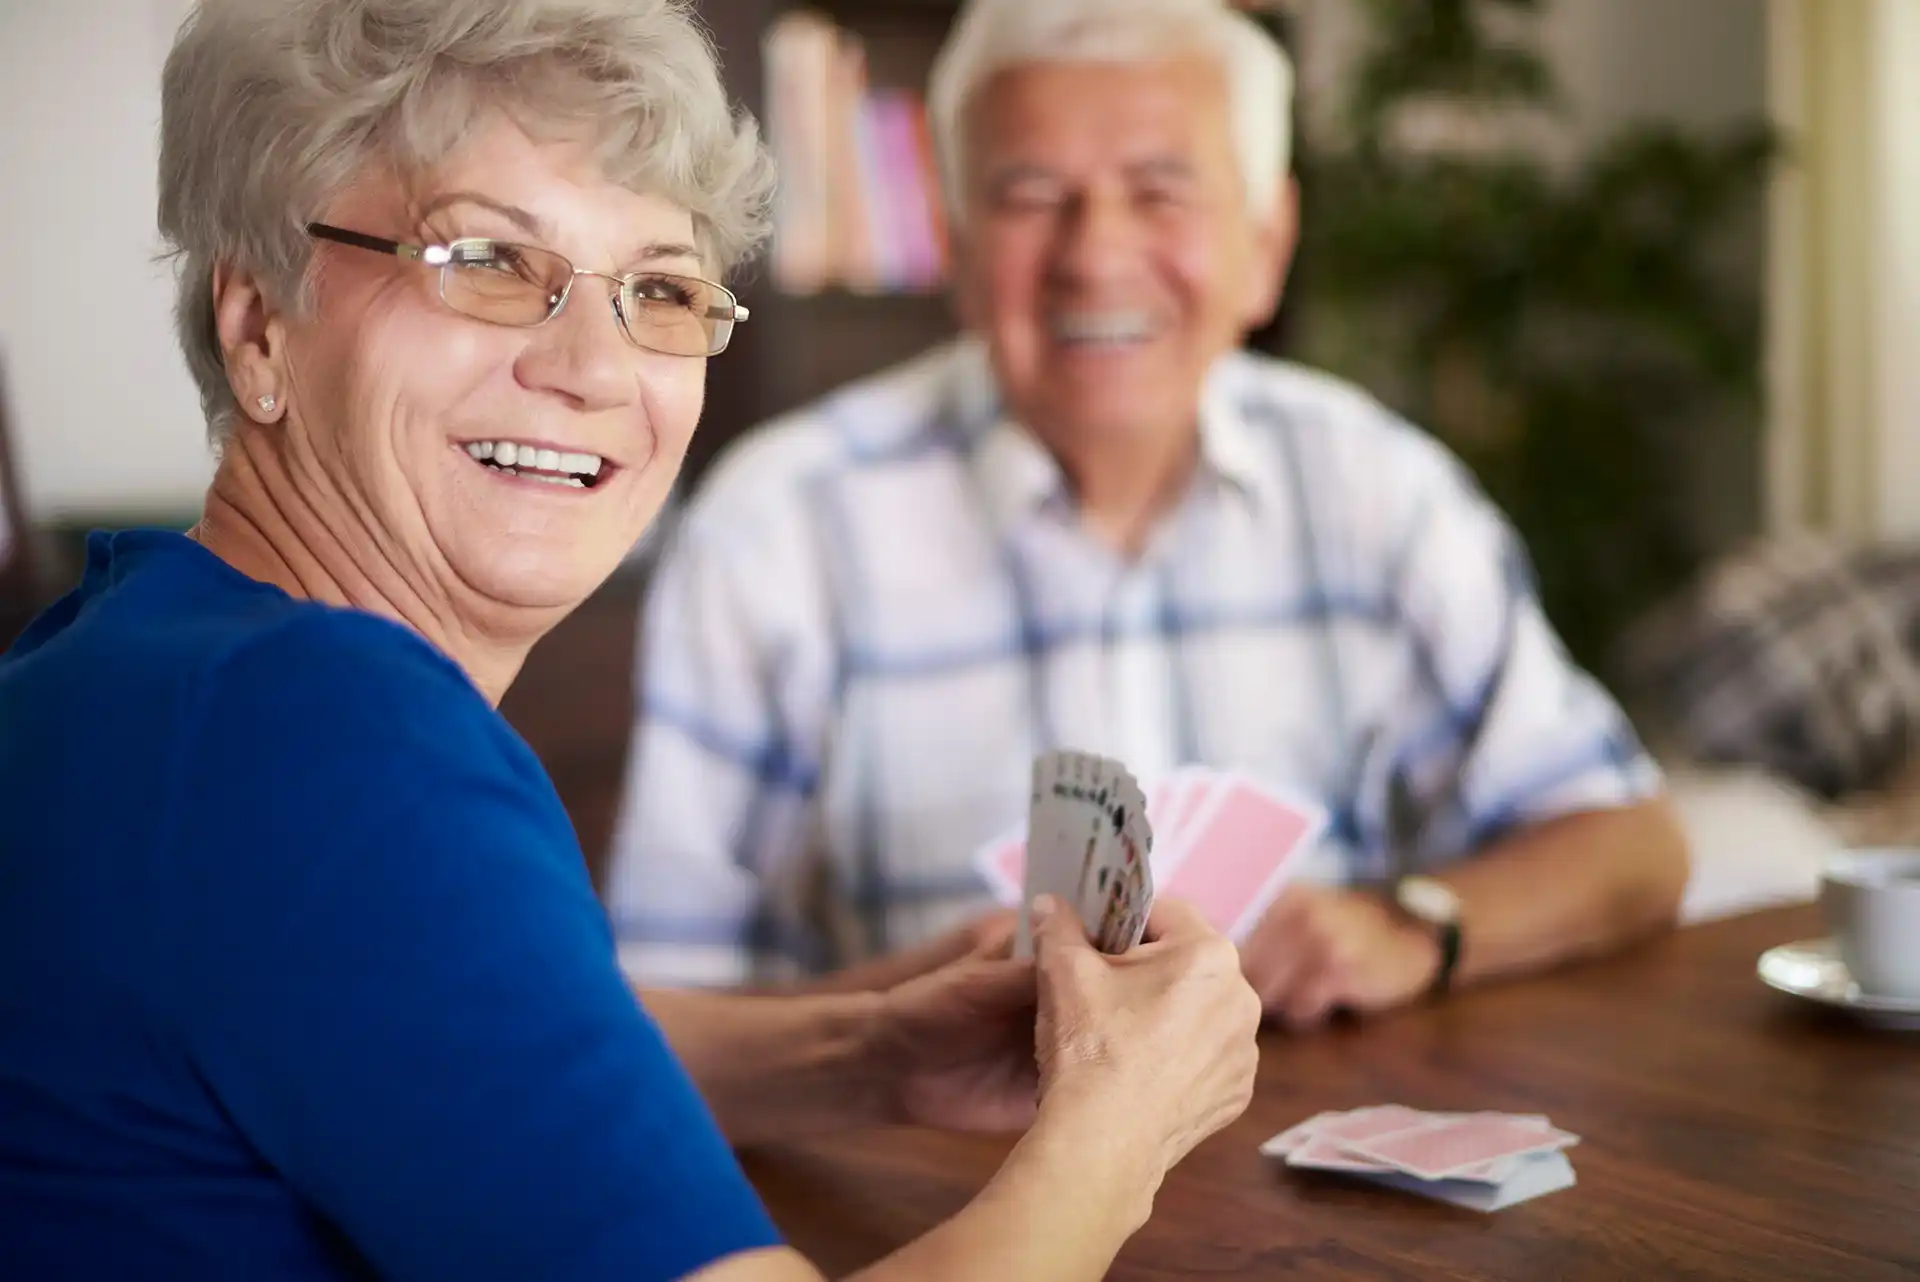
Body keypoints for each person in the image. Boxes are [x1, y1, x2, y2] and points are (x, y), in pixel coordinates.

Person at [0, 1, 1264, 1279]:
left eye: (660, 289)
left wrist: (862, 1052)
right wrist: (1122, 1120)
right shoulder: (327, 735)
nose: (595, 368)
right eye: (487, 259)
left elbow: (422, 1043)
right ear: (258, 320)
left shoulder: (141, 659)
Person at [609, 0, 1692, 1020]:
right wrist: (903, 1025)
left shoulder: (1380, 488)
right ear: (959, 245)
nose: (1097, 257)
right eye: (1033, 196)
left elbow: (1633, 842)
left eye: (1162, 191)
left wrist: (1414, 926)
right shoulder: (774, 527)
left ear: (1266, 246)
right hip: (927, 1196)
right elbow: (653, 1017)